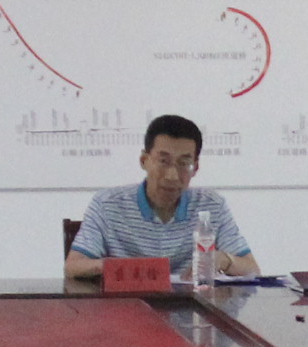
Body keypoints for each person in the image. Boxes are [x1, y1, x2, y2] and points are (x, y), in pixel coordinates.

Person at [67, 115, 257, 280]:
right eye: (163, 161)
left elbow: (252, 269)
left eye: (184, 163)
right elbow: (73, 266)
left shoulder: (212, 205)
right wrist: (121, 268)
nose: (172, 175)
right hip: (128, 306)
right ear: (144, 160)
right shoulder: (107, 204)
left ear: (196, 167)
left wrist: (224, 260)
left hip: (191, 307)